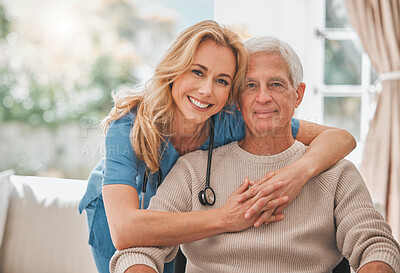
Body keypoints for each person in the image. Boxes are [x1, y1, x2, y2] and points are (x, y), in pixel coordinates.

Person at [78, 21, 356, 273]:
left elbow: (340, 137)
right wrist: (226, 218)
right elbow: (125, 230)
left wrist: (295, 175)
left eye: (222, 80)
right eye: (197, 72)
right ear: (174, 70)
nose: (206, 91)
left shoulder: (232, 120)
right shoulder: (129, 125)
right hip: (115, 212)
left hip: (182, 215)